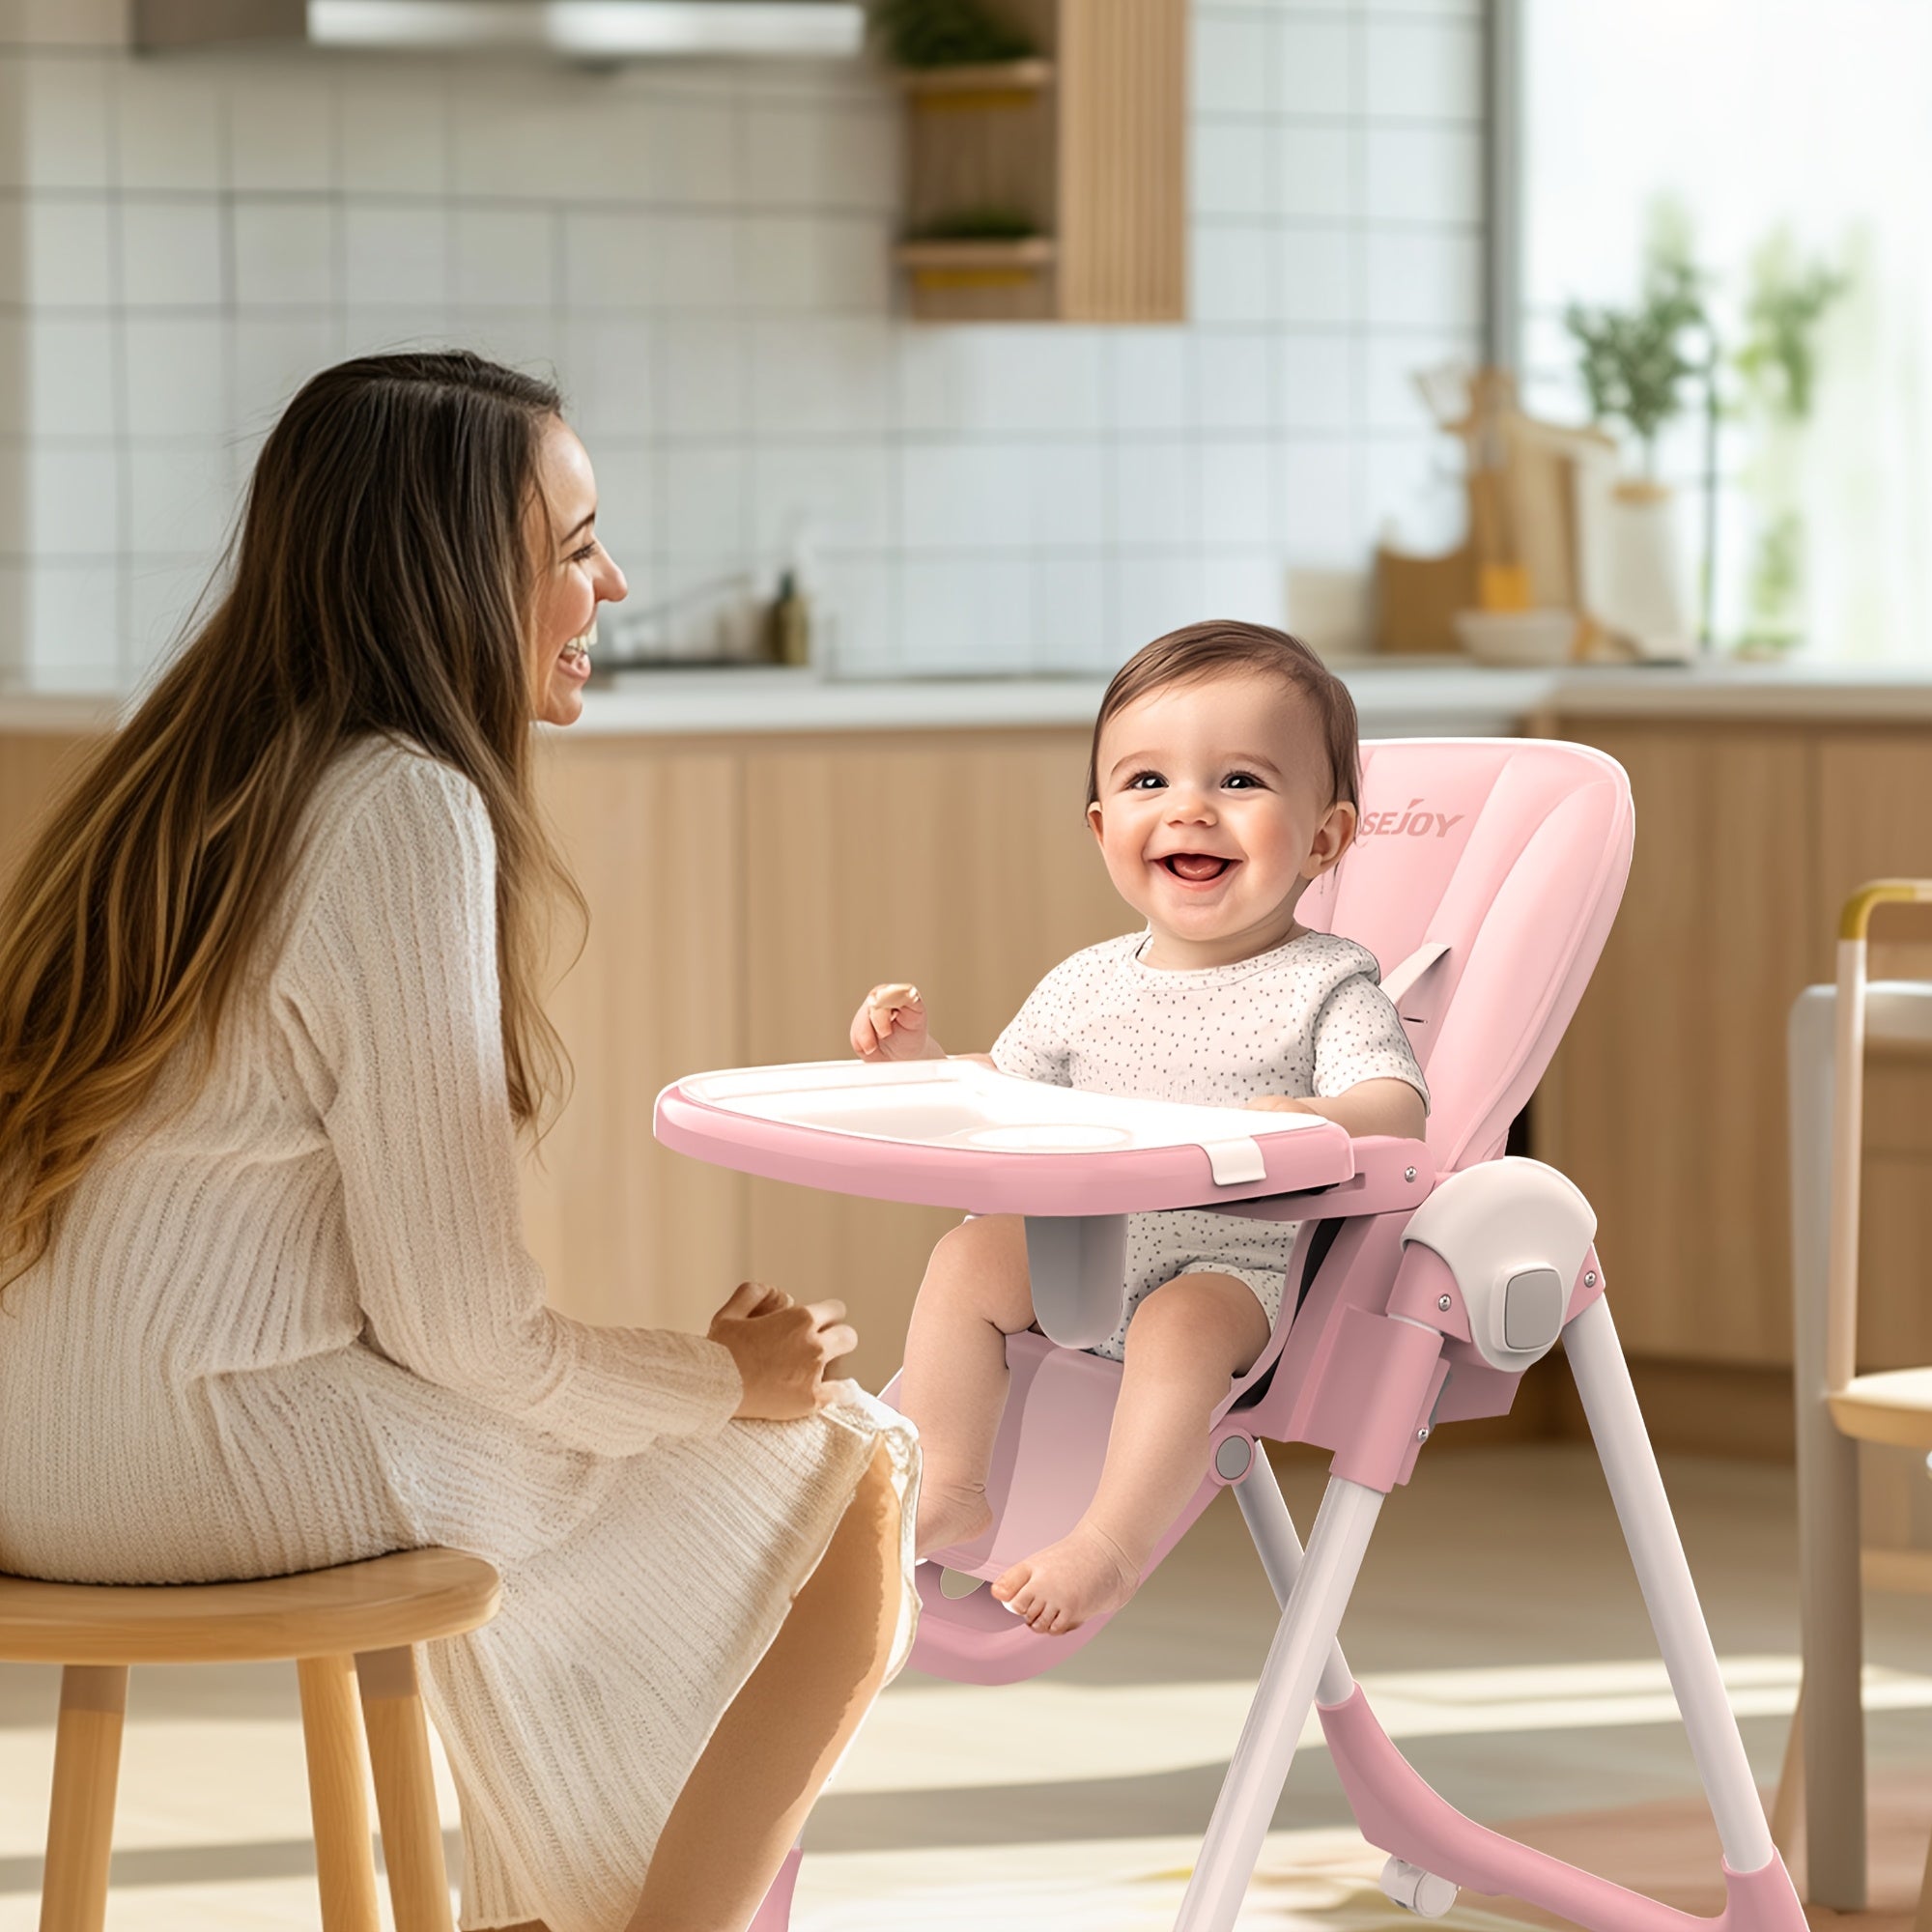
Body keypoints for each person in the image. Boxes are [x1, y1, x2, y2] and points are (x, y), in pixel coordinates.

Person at [0, 352, 917, 1932]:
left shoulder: (180, 778)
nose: (610, 583)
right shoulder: (404, 803)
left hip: (31, 1465)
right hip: (214, 1466)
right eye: (570, 549)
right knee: (852, 1466)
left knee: (549, 1480)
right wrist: (717, 1382)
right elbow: (459, 1325)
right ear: (444, 571)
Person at [849, 621, 1426, 1637]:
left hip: (1232, 1264)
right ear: (1099, 822)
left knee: (1179, 1327)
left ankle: (1109, 1544)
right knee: (969, 1256)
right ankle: (948, 1481)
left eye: (1239, 780)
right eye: (1147, 782)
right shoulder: (1084, 982)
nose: (1189, 808)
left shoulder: (1325, 981)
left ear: (1325, 836)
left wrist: (1321, 1117)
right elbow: (1008, 1091)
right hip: (1085, 1255)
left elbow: (1397, 1105)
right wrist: (924, 1060)